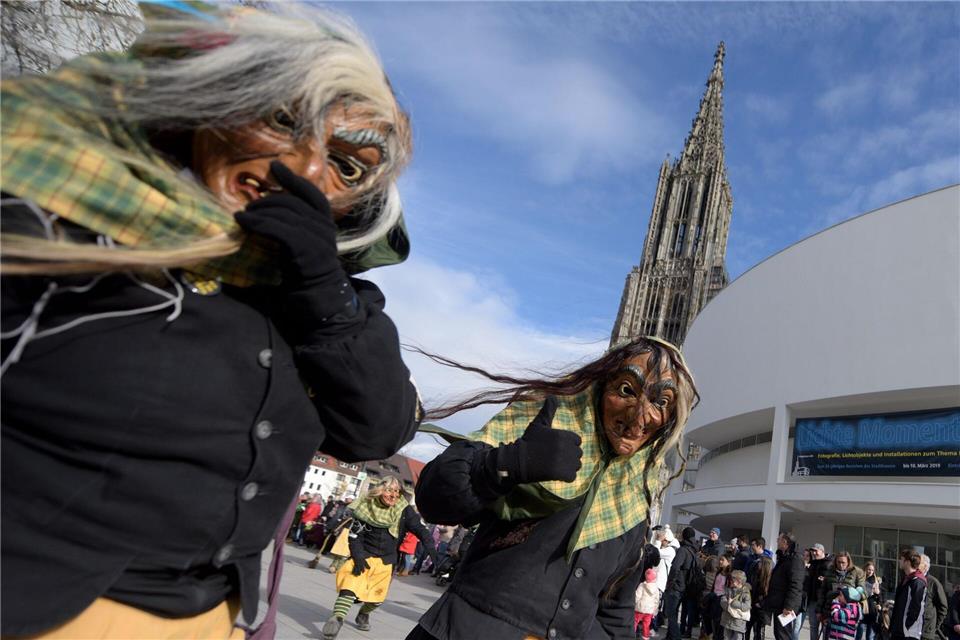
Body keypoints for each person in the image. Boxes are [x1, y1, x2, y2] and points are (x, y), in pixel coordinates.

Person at [0, 3, 420, 637]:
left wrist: (321, 291)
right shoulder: (52, 216)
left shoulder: (334, 295)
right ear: (214, 102)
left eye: (347, 164)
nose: (301, 173)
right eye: (282, 120)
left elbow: (377, 427)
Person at [406, 336, 698, 640]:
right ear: (601, 386)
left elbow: (613, 611)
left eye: (660, 402)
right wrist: (512, 461)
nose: (640, 415)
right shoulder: (548, 423)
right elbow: (433, 499)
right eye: (626, 390)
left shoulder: (636, 497)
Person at [321, 477, 436, 639]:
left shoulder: (404, 509)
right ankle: (336, 619)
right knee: (349, 587)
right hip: (363, 555)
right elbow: (354, 535)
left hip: (386, 560)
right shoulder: (365, 506)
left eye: (396, 491)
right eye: (389, 489)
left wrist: (430, 546)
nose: (392, 494)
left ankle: (363, 614)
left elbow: (419, 528)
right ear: (380, 490)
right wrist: (358, 556)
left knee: (376, 598)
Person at [763, 533, 806, 640]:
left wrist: (789, 606)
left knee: (783, 635)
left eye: (779, 539)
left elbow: (796, 584)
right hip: (779, 601)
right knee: (779, 633)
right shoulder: (784, 556)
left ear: (785, 542)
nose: (777, 541)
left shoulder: (795, 558)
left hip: (786, 605)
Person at [667, 526, 703, 640]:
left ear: (684, 536)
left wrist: (670, 582)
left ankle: (676, 636)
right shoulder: (695, 550)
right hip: (688, 587)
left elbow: (675, 567)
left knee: (671, 613)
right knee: (677, 612)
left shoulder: (683, 550)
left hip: (677, 585)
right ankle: (670, 636)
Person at [819, 552, 867, 623]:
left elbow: (863, 594)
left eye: (843, 562)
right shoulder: (829, 572)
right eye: (839, 562)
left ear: (848, 562)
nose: (841, 565)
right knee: (829, 633)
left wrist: (850, 593)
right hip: (829, 611)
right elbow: (822, 592)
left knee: (845, 633)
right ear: (835, 562)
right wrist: (819, 610)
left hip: (848, 614)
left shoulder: (857, 573)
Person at [891, 549, 927, 640]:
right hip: (898, 631)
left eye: (901, 559)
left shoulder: (918, 581)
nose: (899, 561)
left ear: (907, 562)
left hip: (909, 633)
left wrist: (907, 625)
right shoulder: (906, 579)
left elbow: (916, 607)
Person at [808, 544, 835, 640]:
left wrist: (825, 580)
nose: (814, 553)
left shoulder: (830, 563)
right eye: (812, 551)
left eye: (816, 551)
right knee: (813, 626)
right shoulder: (813, 563)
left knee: (825, 628)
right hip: (813, 599)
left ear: (822, 551)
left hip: (824, 601)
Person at [918, 555, 947, 640]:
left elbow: (943, 607)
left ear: (925, 566)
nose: (915, 564)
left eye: (919, 563)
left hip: (926, 633)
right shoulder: (914, 580)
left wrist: (933, 626)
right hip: (913, 631)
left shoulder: (933, 583)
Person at [721, 570, 752, 640]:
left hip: (738, 622)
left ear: (739, 582)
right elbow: (722, 599)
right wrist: (727, 606)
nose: (730, 582)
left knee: (737, 638)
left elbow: (746, 606)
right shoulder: (728, 589)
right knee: (726, 637)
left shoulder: (746, 592)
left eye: (732, 580)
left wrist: (733, 603)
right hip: (727, 620)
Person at [748, 556, 774, 640]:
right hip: (752, 606)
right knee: (747, 629)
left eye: (760, 562)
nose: (758, 563)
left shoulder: (771, 579)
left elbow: (772, 595)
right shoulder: (755, 573)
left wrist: (761, 604)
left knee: (759, 631)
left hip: (762, 609)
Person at [858, 562, 884, 640]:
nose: (870, 571)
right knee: (859, 634)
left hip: (872, 610)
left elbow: (880, 596)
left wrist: (878, 593)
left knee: (870, 637)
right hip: (862, 609)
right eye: (869, 569)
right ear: (865, 568)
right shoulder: (860, 579)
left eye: (872, 570)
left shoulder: (875, 581)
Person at [637, 568, 662, 640]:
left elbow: (637, 596)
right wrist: (655, 610)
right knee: (646, 625)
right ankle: (645, 637)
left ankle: (631, 634)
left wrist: (635, 604)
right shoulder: (656, 588)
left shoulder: (642, 585)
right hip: (649, 611)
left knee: (635, 622)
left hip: (640, 608)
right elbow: (657, 600)